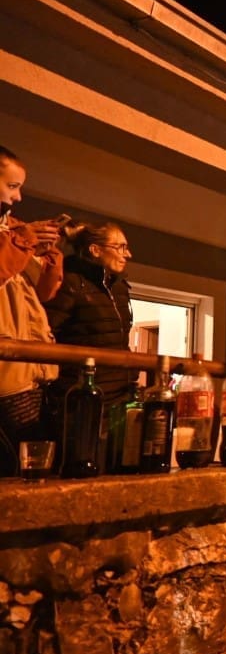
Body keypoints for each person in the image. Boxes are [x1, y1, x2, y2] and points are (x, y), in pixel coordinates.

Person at [0, 146, 63, 475]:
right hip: (7, 376)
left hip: (33, 373)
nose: (19, 197)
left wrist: (49, 255)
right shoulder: (15, 236)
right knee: (16, 474)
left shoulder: (13, 230)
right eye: (12, 186)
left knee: (37, 470)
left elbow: (45, 293)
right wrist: (21, 241)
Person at [43, 221, 135, 445]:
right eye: (120, 247)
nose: (128, 254)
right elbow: (45, 333)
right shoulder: (70, 283)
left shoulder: (119, 288)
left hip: (119, 398)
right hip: (81, 400)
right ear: (95, 250)